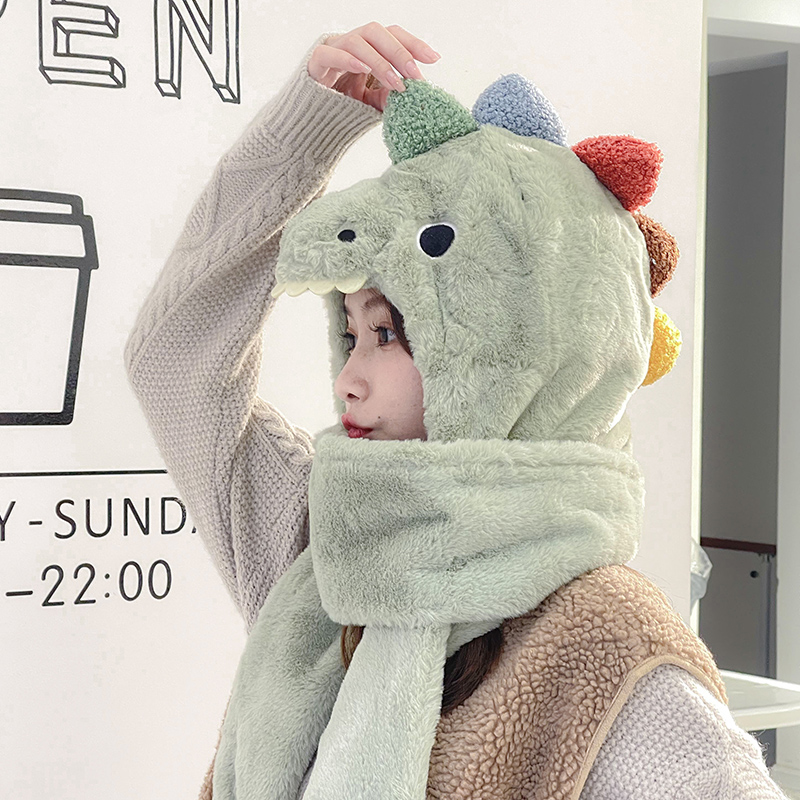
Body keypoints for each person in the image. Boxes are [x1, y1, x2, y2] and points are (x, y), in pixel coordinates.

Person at [125, 22, 788, 800]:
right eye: (350, 336)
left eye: (388, 334)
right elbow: (172, 361)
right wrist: (304, 136)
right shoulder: (327, 548)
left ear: (516, 348)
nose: (348, 381)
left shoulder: (608, 640)